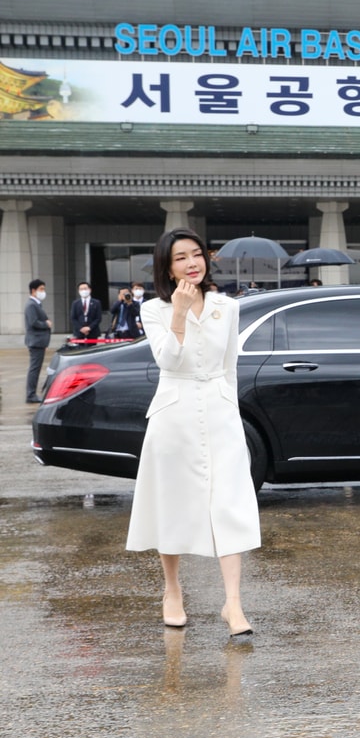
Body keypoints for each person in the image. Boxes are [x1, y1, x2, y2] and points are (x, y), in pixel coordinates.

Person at [126, 228, 261, 640]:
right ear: (167, 266)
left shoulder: (226, 306)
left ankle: (233, 602)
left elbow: (230, 365)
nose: (192, 263)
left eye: (197, 254)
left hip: (220, 412)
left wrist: (232, 412)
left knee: (230, 503)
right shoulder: (153, 309)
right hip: (175, 413)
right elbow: (168, 359)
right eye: (181, 257)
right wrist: (180, 313)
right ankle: (172, 590)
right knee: (173, 502)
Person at [24, 278, 52, 403]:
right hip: (35, 341)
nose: (43, 292)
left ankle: (32, 394)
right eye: (41, 289)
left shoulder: (36, 304)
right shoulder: (31, 305)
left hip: (39, 341)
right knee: (34, 368)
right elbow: (33, 322)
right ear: (33, 291)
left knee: (36, 368)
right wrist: (46, 324)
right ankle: (31, 395)